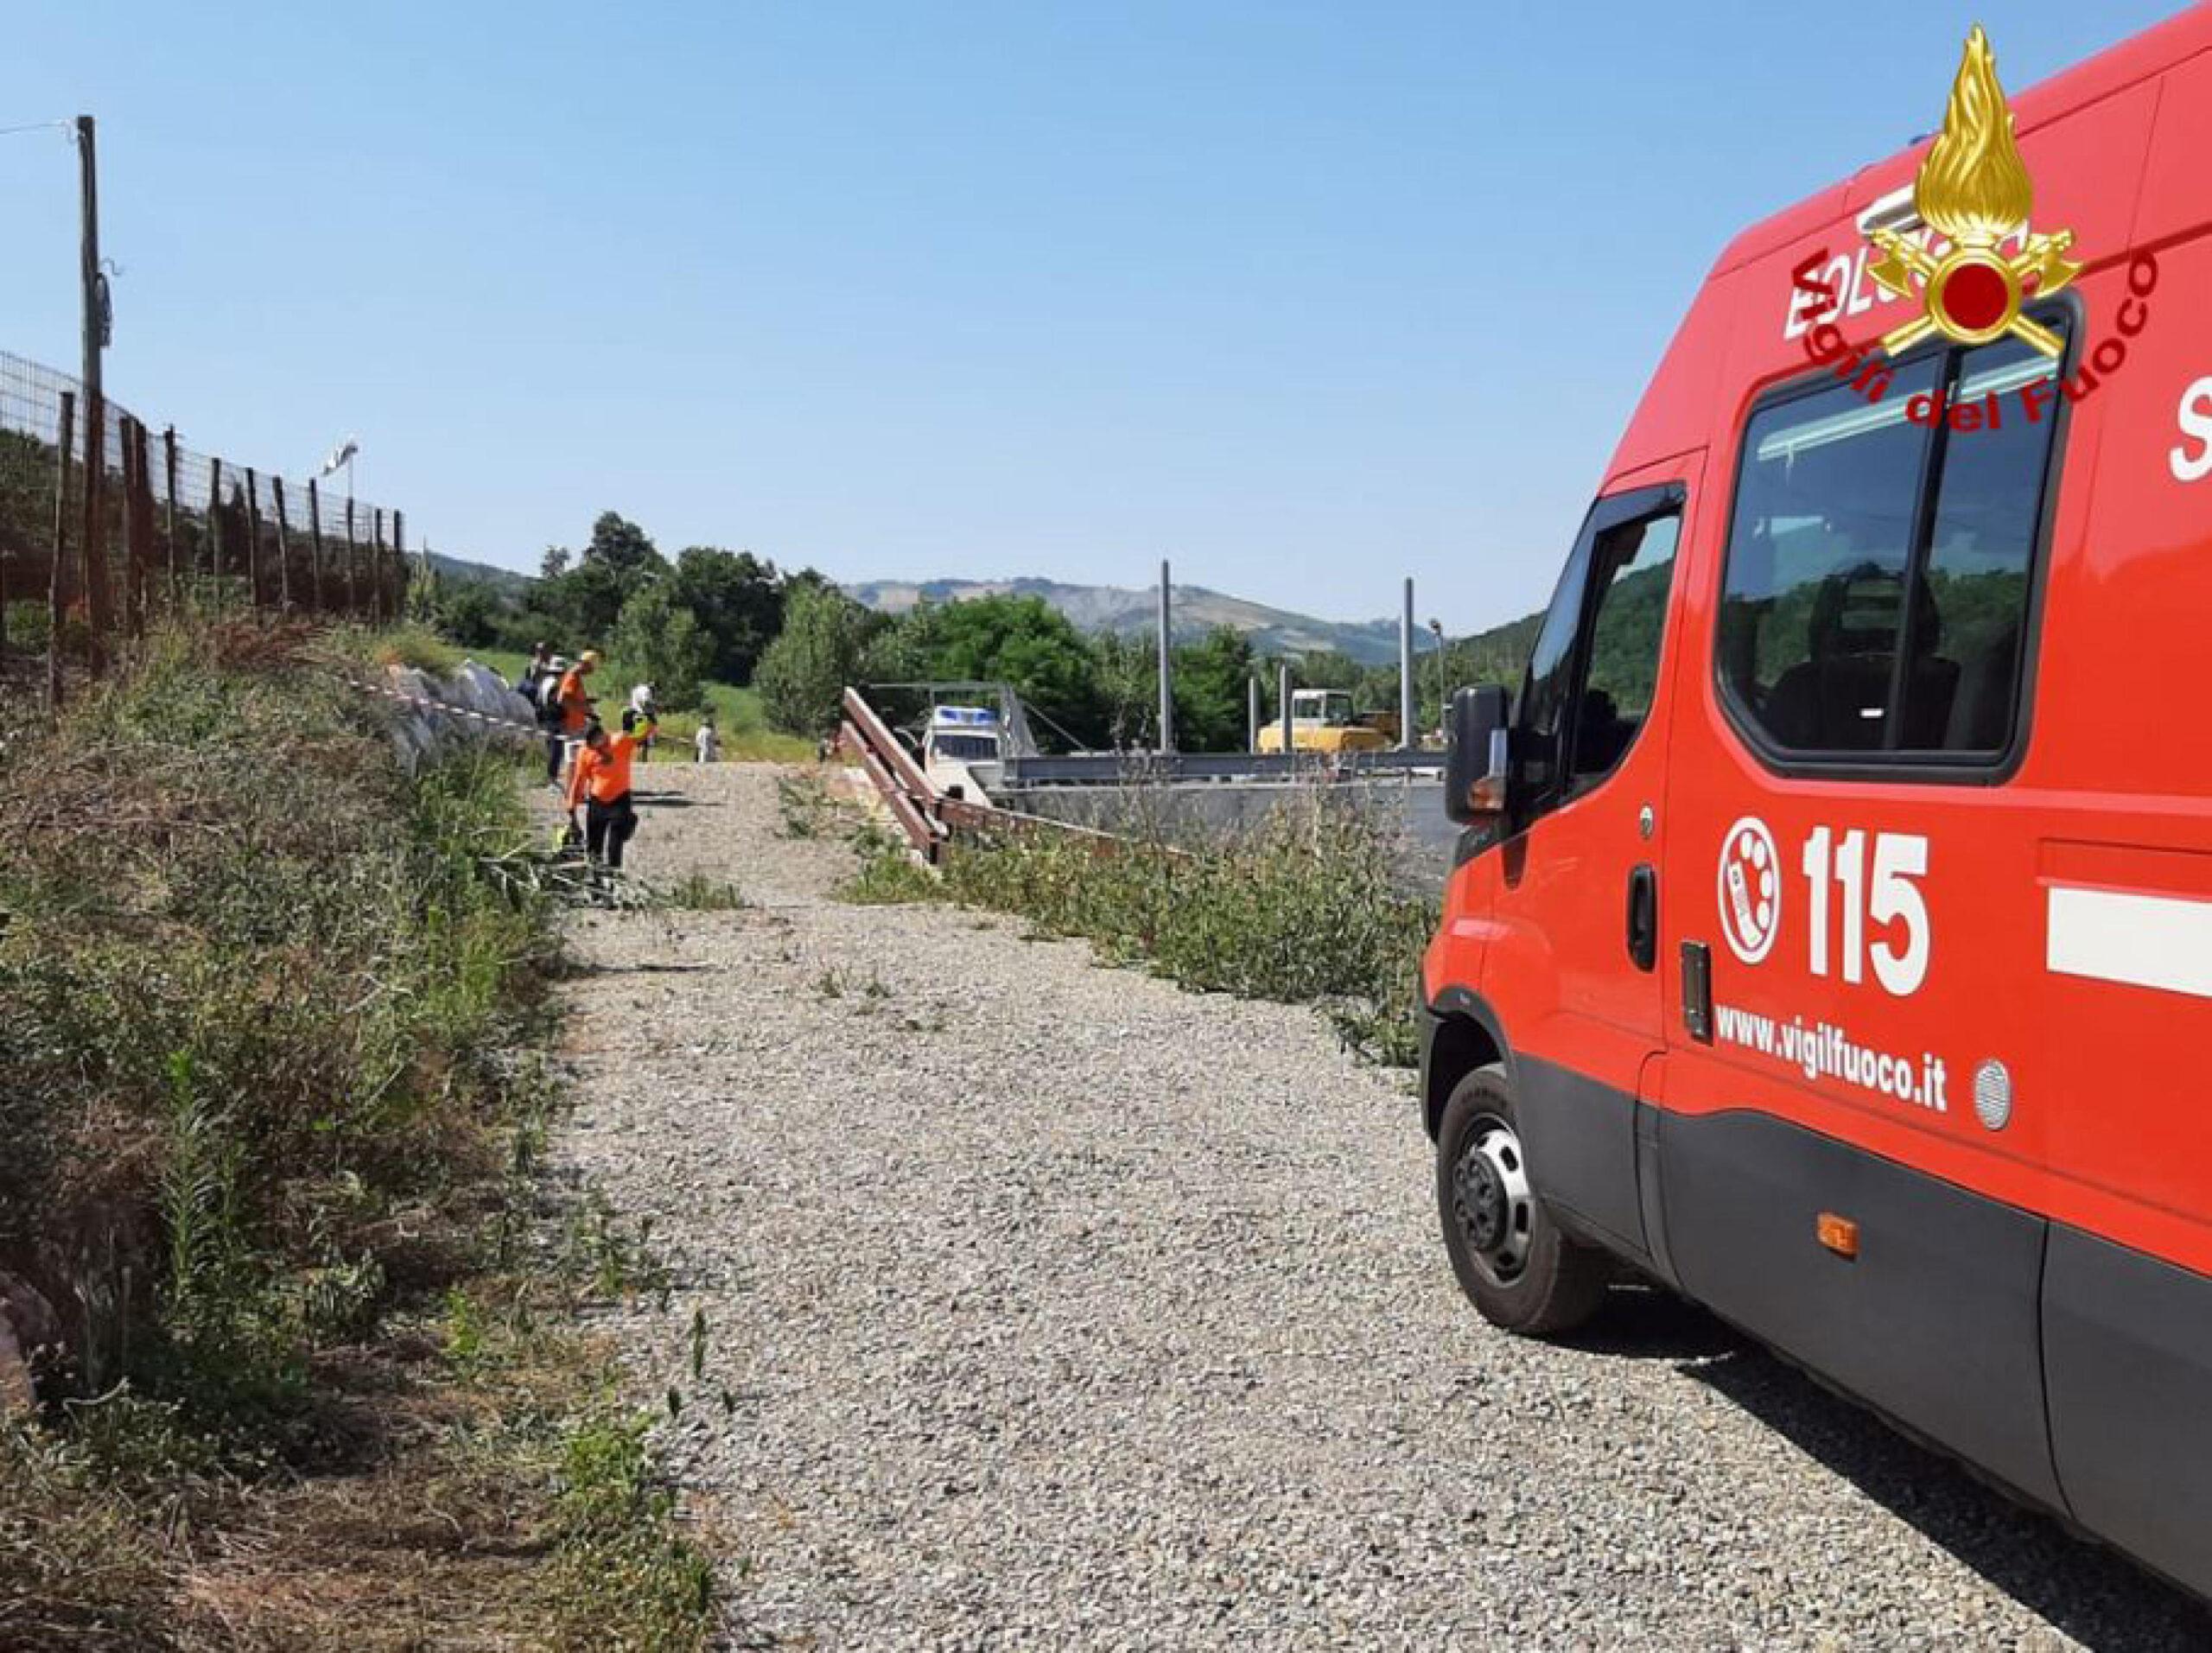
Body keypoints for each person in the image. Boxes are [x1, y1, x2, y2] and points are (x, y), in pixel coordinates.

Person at [565, 715, 640, 870]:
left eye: (596, 743)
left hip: (620, 799)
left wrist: (646, 720)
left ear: (602, 735)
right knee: (593, 849)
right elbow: (579, 779)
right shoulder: (585, 752)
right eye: (591, 745)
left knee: (614, 847)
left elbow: (643, 733)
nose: (595, 748)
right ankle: (596, 887)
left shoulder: (619, 741)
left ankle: (613, 881)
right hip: (597, 803)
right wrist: (571, 804)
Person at [549, 651, 600, 789]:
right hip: (572, 725)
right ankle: (573, 791)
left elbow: (572, 699)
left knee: (577, 759)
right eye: (592, 668)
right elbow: (563, 699)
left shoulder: (575, 677)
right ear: (586, 664)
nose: (592, 672)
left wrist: (587, 706)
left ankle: (575, 791)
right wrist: (585, 710)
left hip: (577, 723)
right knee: (573, 760)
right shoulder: (572, 676)